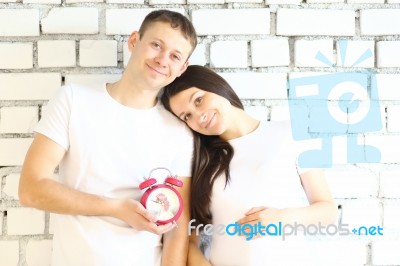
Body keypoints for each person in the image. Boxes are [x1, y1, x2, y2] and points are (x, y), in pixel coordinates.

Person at [19, 10, 197, 266]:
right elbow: (31, 189)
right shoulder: (73, 100)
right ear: (134, 41)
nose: (162, 60)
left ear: (182, 68)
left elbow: (178, 227)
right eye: (156, 45)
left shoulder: (180, 132)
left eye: (175, 56)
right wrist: (117, 208)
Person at [160, 65, 338, 266]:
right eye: (187, 116)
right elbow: (191, 239)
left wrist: (279, 218)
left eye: (198, 100)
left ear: (215, 86)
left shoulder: (291, 132)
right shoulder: (200, 162)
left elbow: (328, 211)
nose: (198, 116)